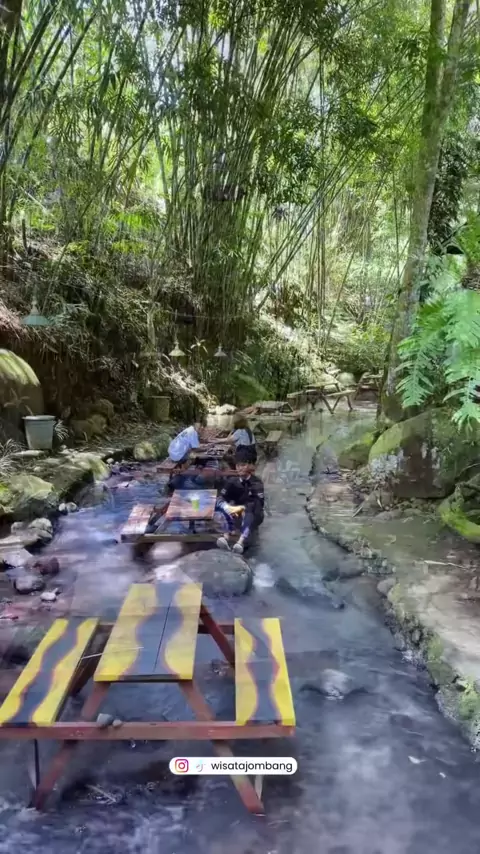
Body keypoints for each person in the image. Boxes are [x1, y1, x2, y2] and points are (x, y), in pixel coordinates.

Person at [215, 453, 264, 554]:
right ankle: (226, 537)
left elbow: (259, 504)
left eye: (243, 465)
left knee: (249, 509)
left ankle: (240, 542)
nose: (240, 468)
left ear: (249, 466)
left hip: (253, 514)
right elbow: (221, 497)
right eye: (238, 465)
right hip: (236, 513)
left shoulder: (256, 482)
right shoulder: (232, 481)